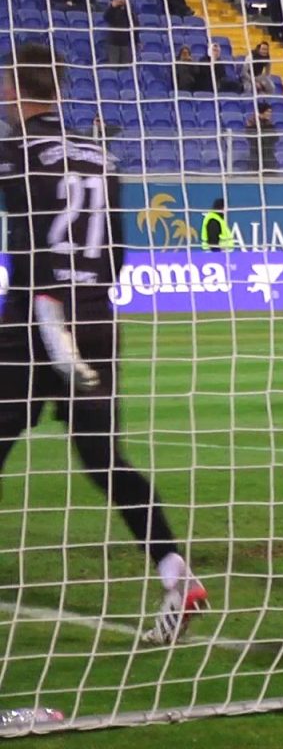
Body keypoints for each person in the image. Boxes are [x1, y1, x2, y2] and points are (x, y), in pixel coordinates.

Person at [0, 43, 208, 644]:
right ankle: (176, 572)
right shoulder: (100, 154)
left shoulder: (16, 152)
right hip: (95, 320)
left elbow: (33, 240)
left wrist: (47, 311)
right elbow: (116, 251)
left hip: (35, 321)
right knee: (105, 459)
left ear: (14, 88)